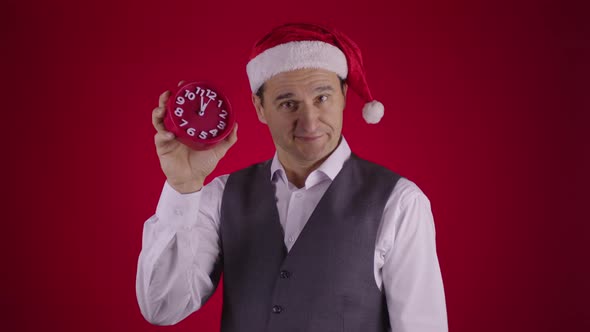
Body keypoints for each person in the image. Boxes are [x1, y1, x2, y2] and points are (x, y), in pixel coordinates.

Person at [136, 23, 448, 332]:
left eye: (322, 98)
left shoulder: (400, 202)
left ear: (343, 96)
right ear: (260, 108)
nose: (310, 122)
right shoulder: (221, 195)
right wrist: (183, 186)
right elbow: (163, 307)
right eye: (288, 104)